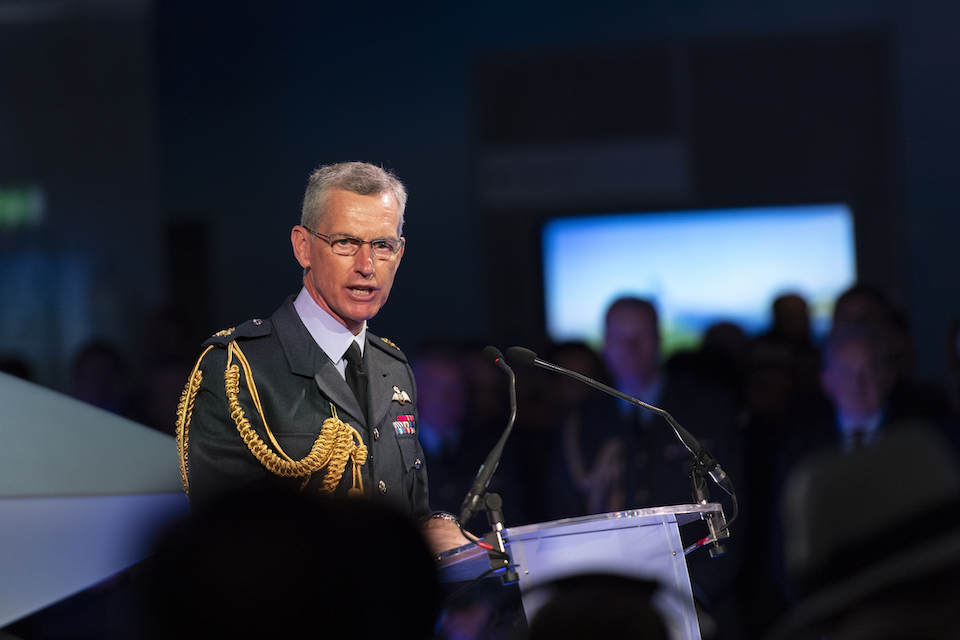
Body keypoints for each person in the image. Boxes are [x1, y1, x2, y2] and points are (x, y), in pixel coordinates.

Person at [176, 161, 465, 554]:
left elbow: (410, 514)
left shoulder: (393, 368)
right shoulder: (236, 369)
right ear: (303, 246)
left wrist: (441, 529)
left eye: (382, 245)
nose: (367, 266)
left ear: (399, 253)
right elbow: (226, 544)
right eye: (346, 242)